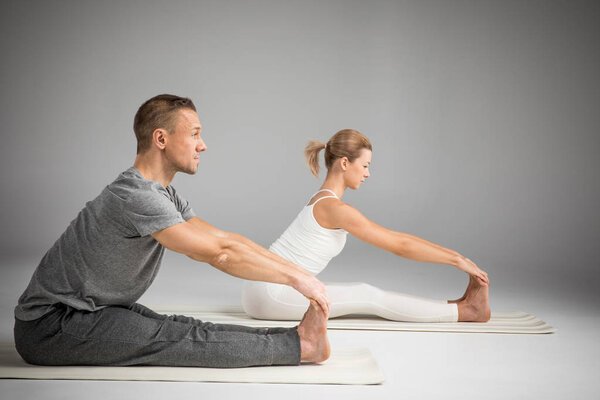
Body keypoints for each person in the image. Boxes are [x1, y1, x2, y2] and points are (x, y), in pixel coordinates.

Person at [13, 94, 331, 368]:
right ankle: (302, 347)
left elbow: (226, 240)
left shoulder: (161, 193)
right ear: (161, 139)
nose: (202, 145)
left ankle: (299, 340)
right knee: (180, 339)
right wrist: (298, 280)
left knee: (182, 327)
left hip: (89, 311)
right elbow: (218, 255)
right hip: (51, 327)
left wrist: (300, 273)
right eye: (194, 134)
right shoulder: (136, 196)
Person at [242, 129, 491, 323]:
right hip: (270, 295)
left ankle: (458, 305)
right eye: (365, 165)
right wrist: (457, 259)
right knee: (366, 295)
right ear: (344, 163)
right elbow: (400, 245)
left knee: (364, 293)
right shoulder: (334, 208)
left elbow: (396, 238)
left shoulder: (322, 200)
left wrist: (456, 257)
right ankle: (466, 311)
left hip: (265, 289)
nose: (368, 174)